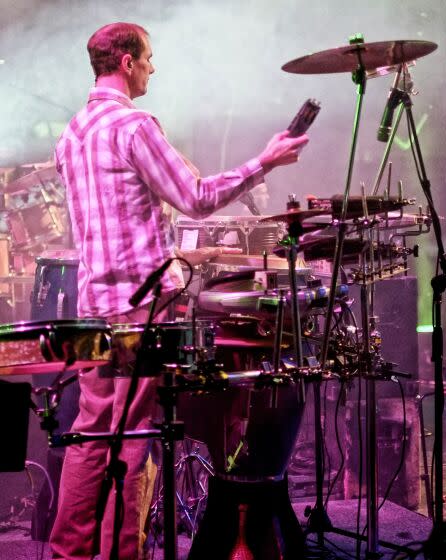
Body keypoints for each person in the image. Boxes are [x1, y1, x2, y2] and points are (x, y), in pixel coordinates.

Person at [49, 21, 309, 560]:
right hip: (140, 307)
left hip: (92, 306)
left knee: (91, 433)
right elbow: (194, 196)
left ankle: (68, 554)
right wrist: (264, 162)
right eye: (148, 59)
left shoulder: (70, 134)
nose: (153, 68)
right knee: (136, 438)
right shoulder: (135, 126)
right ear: (126, 62)